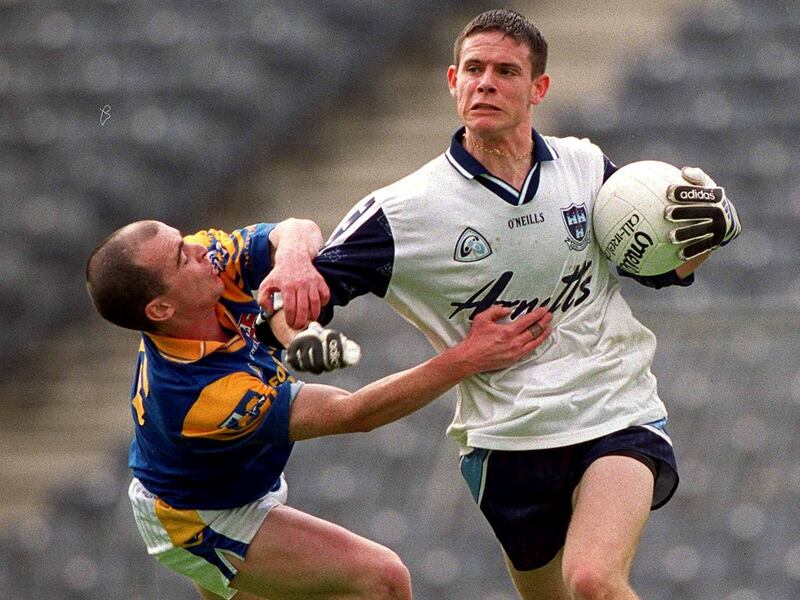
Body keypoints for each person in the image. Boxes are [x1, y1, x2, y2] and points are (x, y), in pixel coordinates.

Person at [295, 9, 742, 600]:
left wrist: (707, 238)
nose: (486, 82)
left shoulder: (585, 166)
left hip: (615, 411)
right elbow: (305, 297)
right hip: (507, 442)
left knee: (594, 581)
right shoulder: (402, 212)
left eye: (506, 71)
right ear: (453, 81)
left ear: (539, 89)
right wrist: (288, 250)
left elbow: (662, 267)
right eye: (474, 69)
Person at [84, 217, 552, 600]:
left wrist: (290, 265)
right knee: (383, 579)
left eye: (183, 239)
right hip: (202, 516)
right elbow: (355, 414)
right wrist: (469, 356)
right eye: (181, 256)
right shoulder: (200, 398)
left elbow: (296, 228)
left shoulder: (205, 269)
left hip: (217, 485)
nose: (201, 247)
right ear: (161, 310)